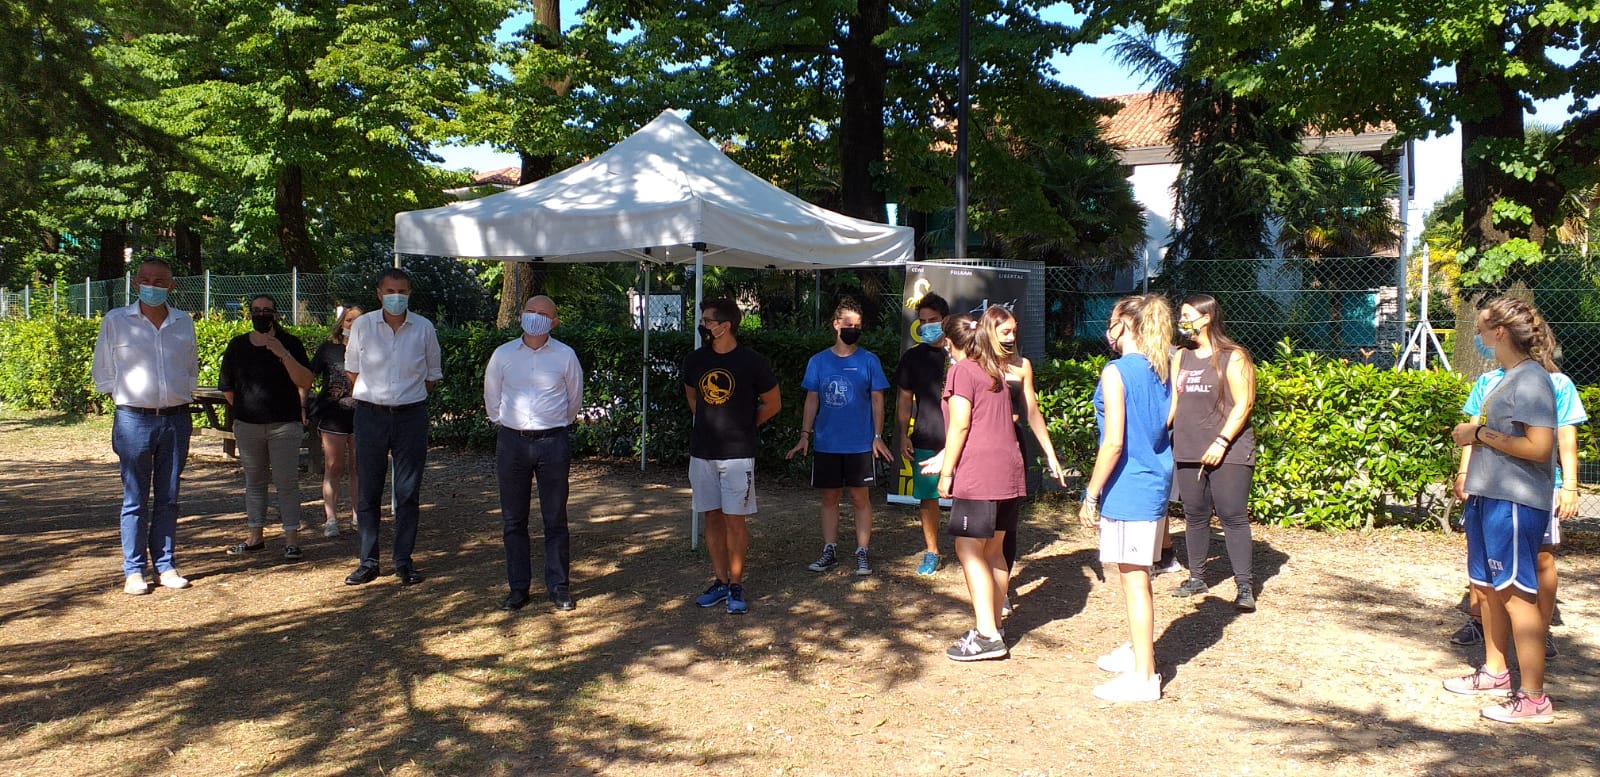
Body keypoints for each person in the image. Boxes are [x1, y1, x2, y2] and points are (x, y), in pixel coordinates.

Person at [1443, 297, 1558, 724]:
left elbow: (1539, 447)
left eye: (1480, 328)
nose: (1477, 335)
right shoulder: (1508, 378)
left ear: (1500, 332)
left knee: (1516, 594)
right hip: (1488, 497)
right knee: (1489, 588)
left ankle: (1534, 698)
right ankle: (1495, 672)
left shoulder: (1532, 380)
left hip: (1514, 501)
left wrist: (1479, 434)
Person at [1450, 347, 1587, 658]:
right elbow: (1473, 431)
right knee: (1482, 557)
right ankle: (1479, 622)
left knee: (1541, 558)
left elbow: (1566, 438)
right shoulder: (1487, 380)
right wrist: (1463, 473)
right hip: (1486, 484)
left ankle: (1540, 630)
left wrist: (1570, 486)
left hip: (1535, 487)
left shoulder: (1557, 383)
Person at [1081, 294, 1174, 702]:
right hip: (1152, 482)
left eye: (1112, 321)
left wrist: (1090, 493)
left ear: (1126, 326)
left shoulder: (1116, 371)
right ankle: (1139, 652)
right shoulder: (1162, 367)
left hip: (1129, 486)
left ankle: (1145, 677)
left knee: (1135, 582)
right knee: (1137, 578)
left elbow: (1114, 442)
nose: (1108, 329)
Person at [91, 258, 200, 595]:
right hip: (133, 419)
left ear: (172, 286)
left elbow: (190, 366)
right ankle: (134, 570)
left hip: (176, 419)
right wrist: (124, 398)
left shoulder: (183, 322)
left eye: (160, 281)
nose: (152, 286)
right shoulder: (116, 320)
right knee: (135, 497)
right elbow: (103, 369)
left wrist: (180, 393)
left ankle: (165, 565)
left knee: (169, 496)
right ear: (136, 283)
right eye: (146, 280)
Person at [925, 313, 1025, 661]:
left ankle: (986, 635)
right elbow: (987, 422)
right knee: (994, 551)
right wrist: (945, 457)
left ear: (948, 343)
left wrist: (946, 474)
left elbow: (961, 425)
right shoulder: (995, 368)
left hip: (980, 475)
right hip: (1009, 471)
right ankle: (994, 626)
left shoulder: (961, 370)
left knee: (969, 550)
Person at [342, 268, 442, 587]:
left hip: (411, 416)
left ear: (409, 293)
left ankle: (404, 561)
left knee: (408, 492)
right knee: (369, 490)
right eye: (389, 291)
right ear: (379, 293)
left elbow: (432, 374)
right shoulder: (363, 326)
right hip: (370, 415)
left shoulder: (424, 327)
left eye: (401, 291)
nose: (395, 297)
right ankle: (368, 561)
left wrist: (406, 397)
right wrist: (377, 398)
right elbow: (352, 370)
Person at [485, 295, 585, 612]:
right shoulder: (502, 355)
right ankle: (518, 588)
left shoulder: (565, 356)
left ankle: (558, 586)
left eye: (543, 313)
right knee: (513, 519)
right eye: (531, 311)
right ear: (521, 315)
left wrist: (553, 425)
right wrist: (508, 423)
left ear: (554, 322)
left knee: (555, 517)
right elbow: (492, 398)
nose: (535, 316)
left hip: (553, 442)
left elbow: (574, 399)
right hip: (512, 442)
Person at [683, 298, 781, 614]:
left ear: (725, 326)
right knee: (711, 516)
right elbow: (692, 398)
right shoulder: (695, 360)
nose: (702, 326)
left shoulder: (753, 362)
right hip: (703, 453)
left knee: (734, 519)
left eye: (707, 321)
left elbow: (773, 403)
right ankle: (720, 581)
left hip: (738, 455)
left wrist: (745, 425)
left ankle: (736, 585)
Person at [789, 299, 893, 576]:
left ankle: (862, 551)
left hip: (860, 444)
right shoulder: (818, 361)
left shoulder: (869, 360)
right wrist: (804, 435)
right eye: (849, 324)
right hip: (827, 442)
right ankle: (830, 549)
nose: (854, 329)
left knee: (860, 498)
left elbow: (878, 401)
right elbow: (812, 400)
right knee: (829, 497)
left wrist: (877, 436)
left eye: (858, 326)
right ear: (836, 325)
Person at [1168, 295, 1258, 610]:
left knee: (1232, 516)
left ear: (1206, 318)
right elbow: (1174, 402)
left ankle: (1244, 586)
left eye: (1187, 316)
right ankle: (1197, 577)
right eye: (1181, 316)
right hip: (1188, 447)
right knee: (1194, 514)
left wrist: (1221, 441)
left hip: (1228, 450)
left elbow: (1245, 403)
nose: (1181, 321)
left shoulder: (1234, 355)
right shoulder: (1181, 355)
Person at [982, 305, 1069, 614]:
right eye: (1004, 332)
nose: (1010, 337)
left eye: (1014, 332)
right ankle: (985, 588)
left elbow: (1032, 411)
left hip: (1012, 445)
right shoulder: (976, 365)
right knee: (982, 525)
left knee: (1007, 525)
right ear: (989, 331)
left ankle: (1000, 591)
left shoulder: (1022, 366)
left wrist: (1050, 453)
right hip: (982, 449)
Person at [218, 295, 314, 561]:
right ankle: (255, 537)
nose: (261, 314)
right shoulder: (238, 345)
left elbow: (306, 380)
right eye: (256, 310)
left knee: (287, 483)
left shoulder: (290, 343)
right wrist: (246, 410)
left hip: (285, 426)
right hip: (248, 427)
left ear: (275, 314)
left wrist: (283, 354)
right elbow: (227, 387)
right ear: (249, 313)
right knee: (254, 482)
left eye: (266, 310)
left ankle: (291, 541)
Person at [894, 293, 950, 576]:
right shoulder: (912, 357)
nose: (928, 326)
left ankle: (975, 548)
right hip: (927, 437)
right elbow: (904, 399)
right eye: (923, 321)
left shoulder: (964, 355)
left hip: (964, 439)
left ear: (946, 320)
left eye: (933, 320)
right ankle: (932, 551)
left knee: (971, 497)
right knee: (928, 498)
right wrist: (903, 434)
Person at [308, 305, 363, 537]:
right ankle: (331, 518)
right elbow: (308, 377)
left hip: (363, 415)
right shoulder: (328, 349)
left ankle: (358, 515)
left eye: (358, 321)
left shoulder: (371, 348)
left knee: (359, 467)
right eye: (349, 320)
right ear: (341, 324)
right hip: (332, 415)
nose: (353, 325)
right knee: (334, 466)